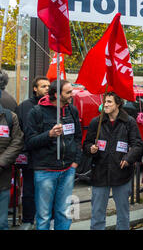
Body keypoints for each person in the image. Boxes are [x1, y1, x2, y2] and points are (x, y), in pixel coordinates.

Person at [24, 80, 82, 230]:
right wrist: (49, 134)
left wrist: (75, 162)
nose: (72, 95)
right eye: (68, 92)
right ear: (57, 94)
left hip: (67, 170)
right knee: (43, 216)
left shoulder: (72, 111)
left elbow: (77, 138)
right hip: (45, 171)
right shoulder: (36, 112)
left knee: (63, 212)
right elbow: (29, 142)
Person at [83, 92, 143, 230]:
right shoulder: (96, 122)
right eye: (105, 101)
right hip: (100, 173)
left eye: (109, 102)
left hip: (121, 173)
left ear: (118, 104)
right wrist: (90, 148)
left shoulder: (129, 122)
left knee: (123, 214)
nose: (106, 104)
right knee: (97, 213)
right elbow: (86, 144)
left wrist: (128, 158)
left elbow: (138, 145)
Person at [16, 76, 50, 230]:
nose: (47, 88)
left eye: (49, 86)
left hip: (46, 157)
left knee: (46, 191)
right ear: (35, 89)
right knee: (28, 190)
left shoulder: (52, 106)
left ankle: (44, 220)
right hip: (29, 156)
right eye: (43, 86)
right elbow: (18, 131)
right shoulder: (24, 106)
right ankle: (28, 220)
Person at [0, 99, 24, 230]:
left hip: (3, 177)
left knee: (2, 222)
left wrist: (1, 162)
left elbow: (17, 141)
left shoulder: (10, 117)